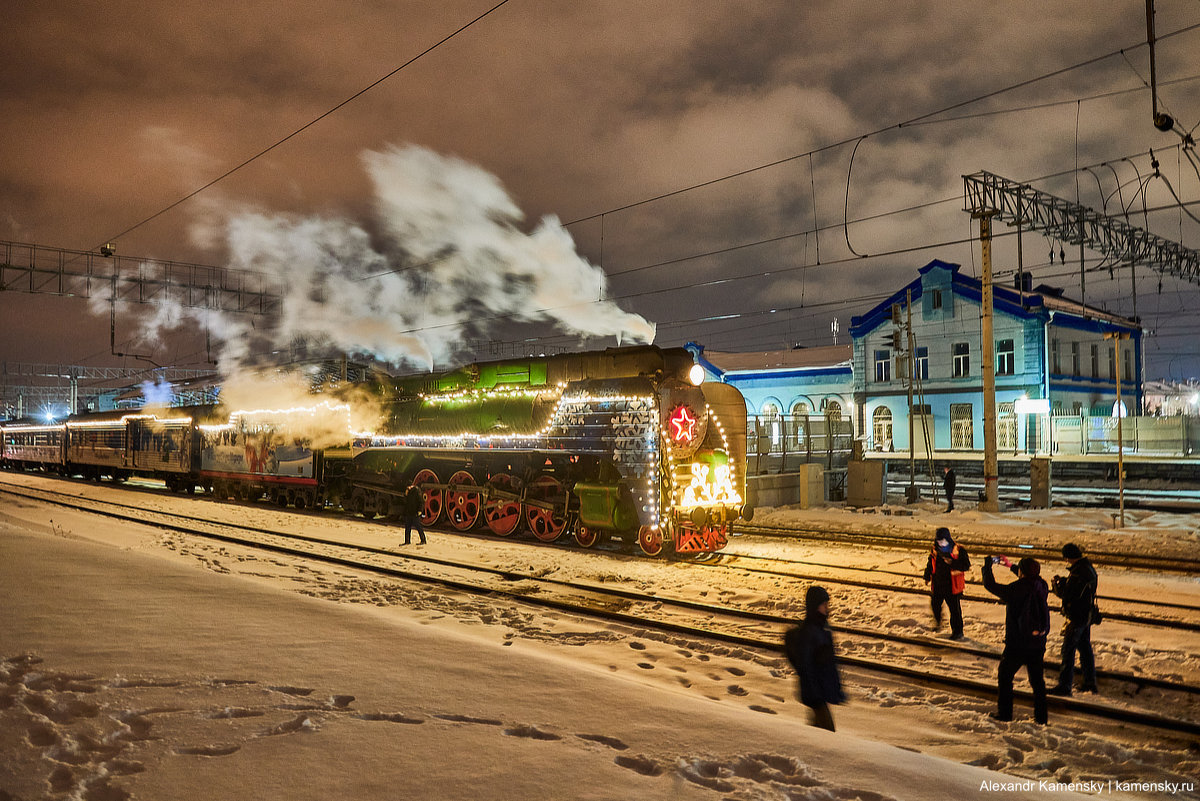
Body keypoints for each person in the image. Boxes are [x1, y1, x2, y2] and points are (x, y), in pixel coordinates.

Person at [982, 555, 1049, 725]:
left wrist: (987, 567)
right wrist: (1011, 565)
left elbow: (991, 586)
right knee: (1037, 682)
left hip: (1017, 644)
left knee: (1005, 677)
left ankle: (1005, 714)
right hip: (1038, 643)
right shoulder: (1042, 586)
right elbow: (1027, 577)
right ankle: (1041, 718)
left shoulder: (1016, 589)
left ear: (1022, 572)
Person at [784, 586, 846, 731]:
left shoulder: (821, 628)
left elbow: (828, 663)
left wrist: (835, 689)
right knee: (827, 731)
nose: (827, 608)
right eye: (823, 605)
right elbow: (806, 665)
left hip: (821, 691)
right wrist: (814, 692)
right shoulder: (810, 632)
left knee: (817, 730)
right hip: (815, 693)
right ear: (815, 606)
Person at [1048, 543, 1098, 695]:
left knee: (1067, 651)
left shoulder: (1078, 573)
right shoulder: (1088, 568)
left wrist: (1057, 587)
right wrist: (1065, 581)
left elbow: (1070, 595)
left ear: (1068, 557)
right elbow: (1079, 589)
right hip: (1086, 615)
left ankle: (1064, 686)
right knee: (1085, 649)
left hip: (1076, 617)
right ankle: (1090, 682)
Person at [923, 527, 970, 640]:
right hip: (938, 584)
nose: (941, 543)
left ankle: (958, 632)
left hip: (952, 587)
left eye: (943, 540)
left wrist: (952, 563)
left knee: (955, 611)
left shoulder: (958, 550)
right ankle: (938, 622)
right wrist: (927, 575)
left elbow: (966, 565)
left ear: (948, 538)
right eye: (939, 541)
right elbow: (931, 563)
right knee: (935, 604)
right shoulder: (935, 549)